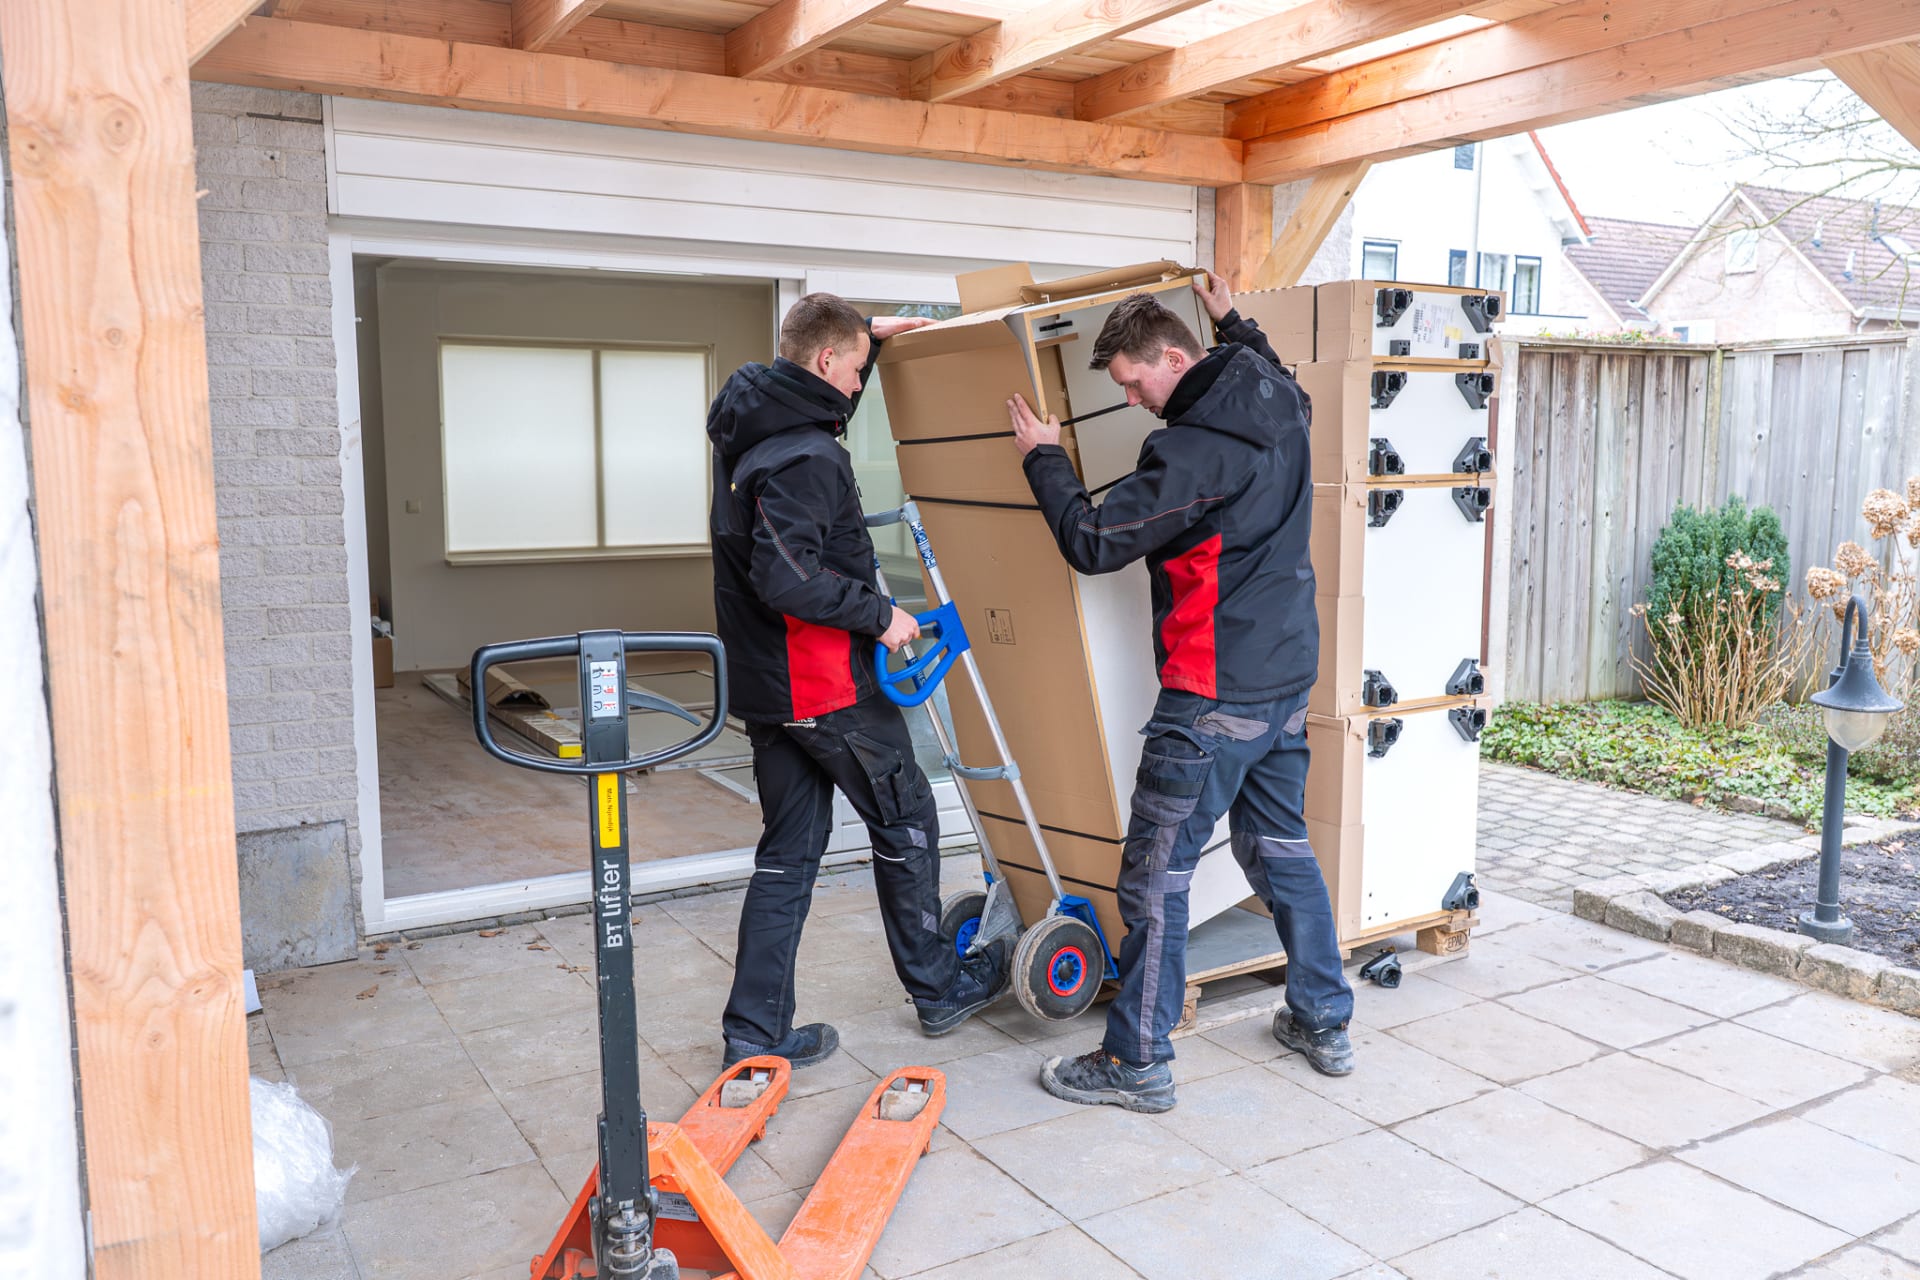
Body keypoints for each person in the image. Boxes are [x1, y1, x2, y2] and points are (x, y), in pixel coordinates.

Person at [1005, 274, 1355, 1113]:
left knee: (1155, 877)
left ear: (1174, 355)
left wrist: (1043, 460)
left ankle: (1137, 1060)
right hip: (1282, 679)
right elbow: (1279, 374)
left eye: (1133, 380)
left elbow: (1092, 541)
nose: (1131, 400)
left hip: (1210, 694)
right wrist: (1234, 315)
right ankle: (1322, 1017)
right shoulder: (1271, 393)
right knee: (1279, 849)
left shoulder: (1194, 450)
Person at [706, 293, 1012, 1069]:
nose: (857, 384)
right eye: (854, 369)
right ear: (822, 361)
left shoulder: (756, 421)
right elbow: (788, 578)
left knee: (787, 857)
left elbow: (814, 401)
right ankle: (939, 989)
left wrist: (869, 337)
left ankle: (755, 1031)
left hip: (771, 691)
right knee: (906, 820)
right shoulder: (807, 459)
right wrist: (881, 616)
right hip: (823, 685)